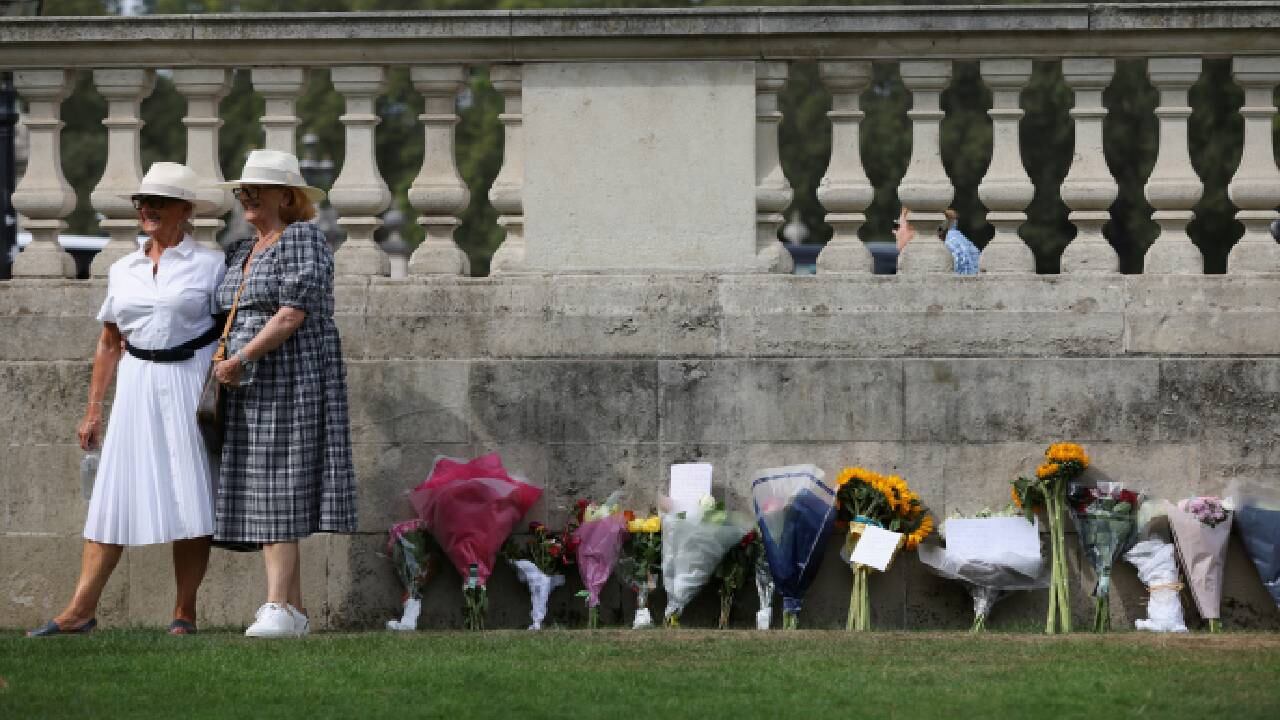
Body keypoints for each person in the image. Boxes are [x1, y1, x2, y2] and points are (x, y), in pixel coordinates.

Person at [28, 163, 225, 637]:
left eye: (159, 201)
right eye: (142, 202)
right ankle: (80, 610)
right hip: (136, 383)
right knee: (110, 495)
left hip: (187, 380)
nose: (148, 209)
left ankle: (184, 612)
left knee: (191, 493)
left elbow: (228, 329)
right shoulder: (123, 268)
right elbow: (109, 341)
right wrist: (93, 408)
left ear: (186, 209)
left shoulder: (211, 264)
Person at [212, 149, 357, 638]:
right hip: (247, 383)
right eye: (242, 189)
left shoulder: (301, 239)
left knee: (278, 485)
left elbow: (293, 312)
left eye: (259, 187)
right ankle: (292, 611)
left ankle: (276, 604)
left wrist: (243, 357)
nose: (247, 196)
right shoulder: (239, 249)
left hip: (287, 377)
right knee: (264, 486)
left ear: (287, 195)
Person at [939, 208, 980, 275]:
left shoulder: (947, 221)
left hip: (951, 235)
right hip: (956, 235)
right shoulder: (955, 221)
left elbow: (943, 229)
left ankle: (962, 269)